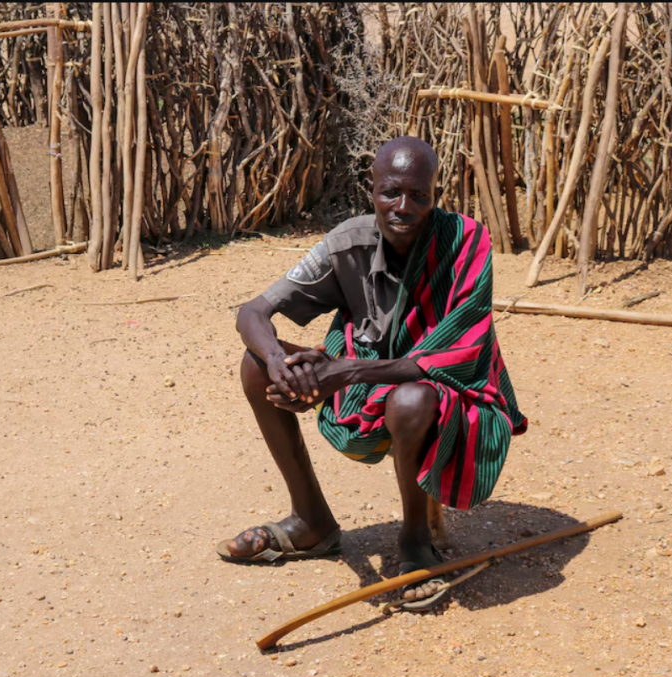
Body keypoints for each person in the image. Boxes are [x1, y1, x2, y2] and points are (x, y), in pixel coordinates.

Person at [216, 136, 526, 609]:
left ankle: (415, 542)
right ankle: (311, 522)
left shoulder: (466, 243)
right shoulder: (349, 243)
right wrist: (284, 369)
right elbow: (252, 313)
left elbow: (461, 351)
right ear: (371, 189)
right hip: (361, 382)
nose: (404, 207)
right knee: (256, 365)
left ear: (434, 195)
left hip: (451, 393)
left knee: (411, 397)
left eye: (419, 195)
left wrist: (345, 373)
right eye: (391, 192)